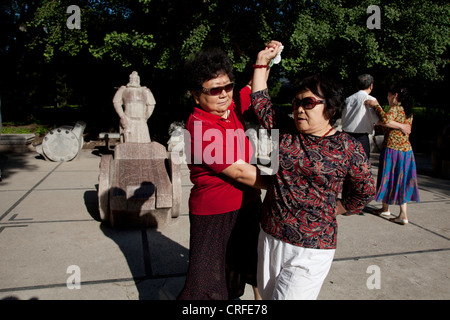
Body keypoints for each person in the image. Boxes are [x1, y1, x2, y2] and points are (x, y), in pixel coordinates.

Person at [251, 41, 376, 300]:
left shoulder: (348, 148)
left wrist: (339, 208)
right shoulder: (284, 132)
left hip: (313, 248)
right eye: (296, 102)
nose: (298, 109)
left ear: (329, 107)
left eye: (308, 102)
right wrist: (263, 60)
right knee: (267, 295)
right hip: (271, 236)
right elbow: (260, 101)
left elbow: (364, 191)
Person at [177, 48, 265, 300]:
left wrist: (263, 60)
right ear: (196, 95)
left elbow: (254, 88)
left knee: (254, 263)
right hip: (215, 213)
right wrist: (287, 183)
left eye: (227, 87)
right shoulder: (200, 128)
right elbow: (239, 171)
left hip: (248, 205)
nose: (224, 94)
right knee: (207, 283)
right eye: (215, 89)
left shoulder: (232, 109)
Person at [365, 85, 420, 225]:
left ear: (395, 95)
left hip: (393, 149)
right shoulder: (407, 111)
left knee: (391, 178)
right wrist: (399, 126)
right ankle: (385, 208)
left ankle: (403, 214)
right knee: (402, 179)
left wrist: (376, 105)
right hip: (406, 150)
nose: (387, 98)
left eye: (389, 95)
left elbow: (384, 120)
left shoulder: (395, 109)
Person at [113, 71, 155, 143]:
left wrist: (145, 117)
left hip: (141, 121)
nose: (134, 80)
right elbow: (116, 102)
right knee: (127, 147)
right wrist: (122, 116)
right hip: (128, 120)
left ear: (138, 79)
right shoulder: (123, 89)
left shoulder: (145, 90)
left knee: (144, 145)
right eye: (132, 78)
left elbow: (151, 104)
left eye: (136, 78)